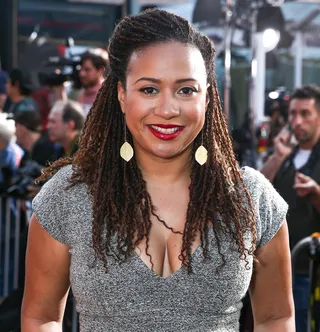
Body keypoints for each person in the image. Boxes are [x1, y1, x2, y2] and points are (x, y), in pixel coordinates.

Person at [21, 9, 294, 332]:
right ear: (122, 95)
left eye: (186, 90)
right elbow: (42, 317)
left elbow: (276, 318)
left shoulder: (253, 197)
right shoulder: (69, 194)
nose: (167, 110)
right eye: (149, 89)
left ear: (207, 98)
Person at [260, 84, 320, 332]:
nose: (297, 120)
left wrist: (316, 192)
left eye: (305, 113)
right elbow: (255, 191)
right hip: (276, 266)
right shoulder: (285, 153)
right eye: (293, 113)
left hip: (310, 269)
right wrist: (277, 156)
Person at [77, 48, 109, 116]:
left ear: (100, 70)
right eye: (81, 69)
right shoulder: (78, 93)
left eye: (87, 70)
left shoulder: (108, 95)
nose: (82, 73)